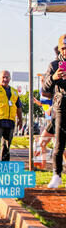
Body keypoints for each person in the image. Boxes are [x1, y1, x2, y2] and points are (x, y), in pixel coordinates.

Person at [42, 34, 66, 188]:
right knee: (60, 142)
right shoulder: (54, 65)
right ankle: (57, 175)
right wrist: (54, 77)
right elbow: (45, 89)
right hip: (62, 106)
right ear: (59, 49)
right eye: (63, 48)